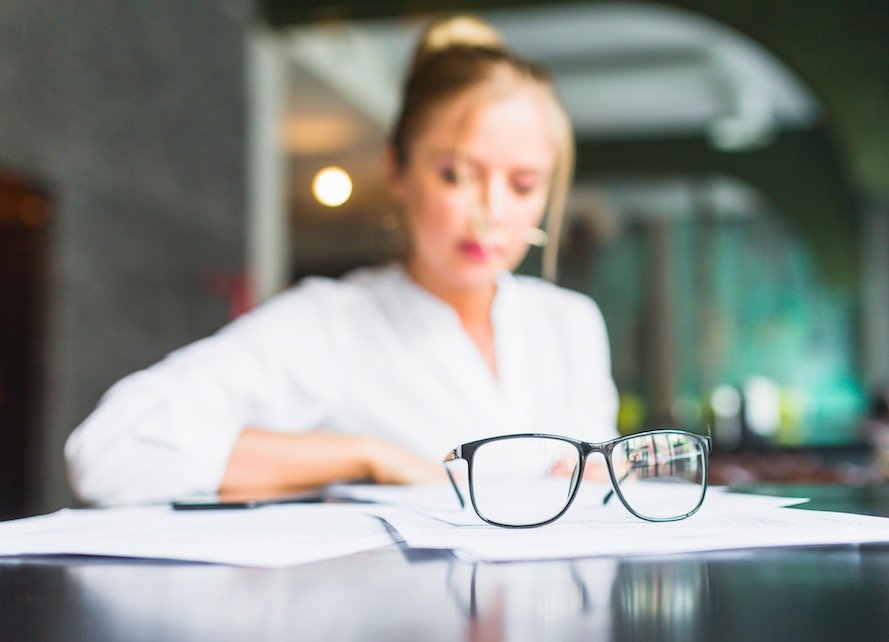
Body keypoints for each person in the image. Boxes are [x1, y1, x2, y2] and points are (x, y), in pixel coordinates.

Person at [64, 15, 619, 505]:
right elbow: (109, 450)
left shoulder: (570, 325)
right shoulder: (333, 324)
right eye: (455, 175)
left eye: (522, 185)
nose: (490, 213)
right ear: (397, 171)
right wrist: (363, 455)